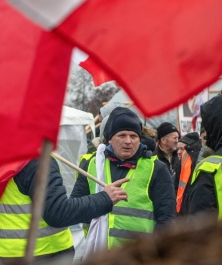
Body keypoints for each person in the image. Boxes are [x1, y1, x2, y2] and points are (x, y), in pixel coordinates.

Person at [0, 155, 128, 262]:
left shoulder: (0, 161)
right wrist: (105, 198)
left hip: (6, 255)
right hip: (42, 257)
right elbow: (58, 213)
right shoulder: (38, 162)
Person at [72, 106, 176, 249]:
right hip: (97, 259)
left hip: (138, 260)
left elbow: (167, 220)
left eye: (133, 136)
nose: (128, 141)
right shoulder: (92, 165)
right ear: (109, 139)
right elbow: (74, 209)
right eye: (122, 135)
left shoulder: (156, 169)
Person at [175, 131, 202, 214]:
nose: (178, 152)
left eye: (182, 149)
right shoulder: (179, 164)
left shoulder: (195, 163)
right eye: (177, 149)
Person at [155, 122, 181, 192]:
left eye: (178, 138)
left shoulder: (180, 156)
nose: (177, 141)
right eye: (174, 138)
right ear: (163, 140)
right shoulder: (153, 158)